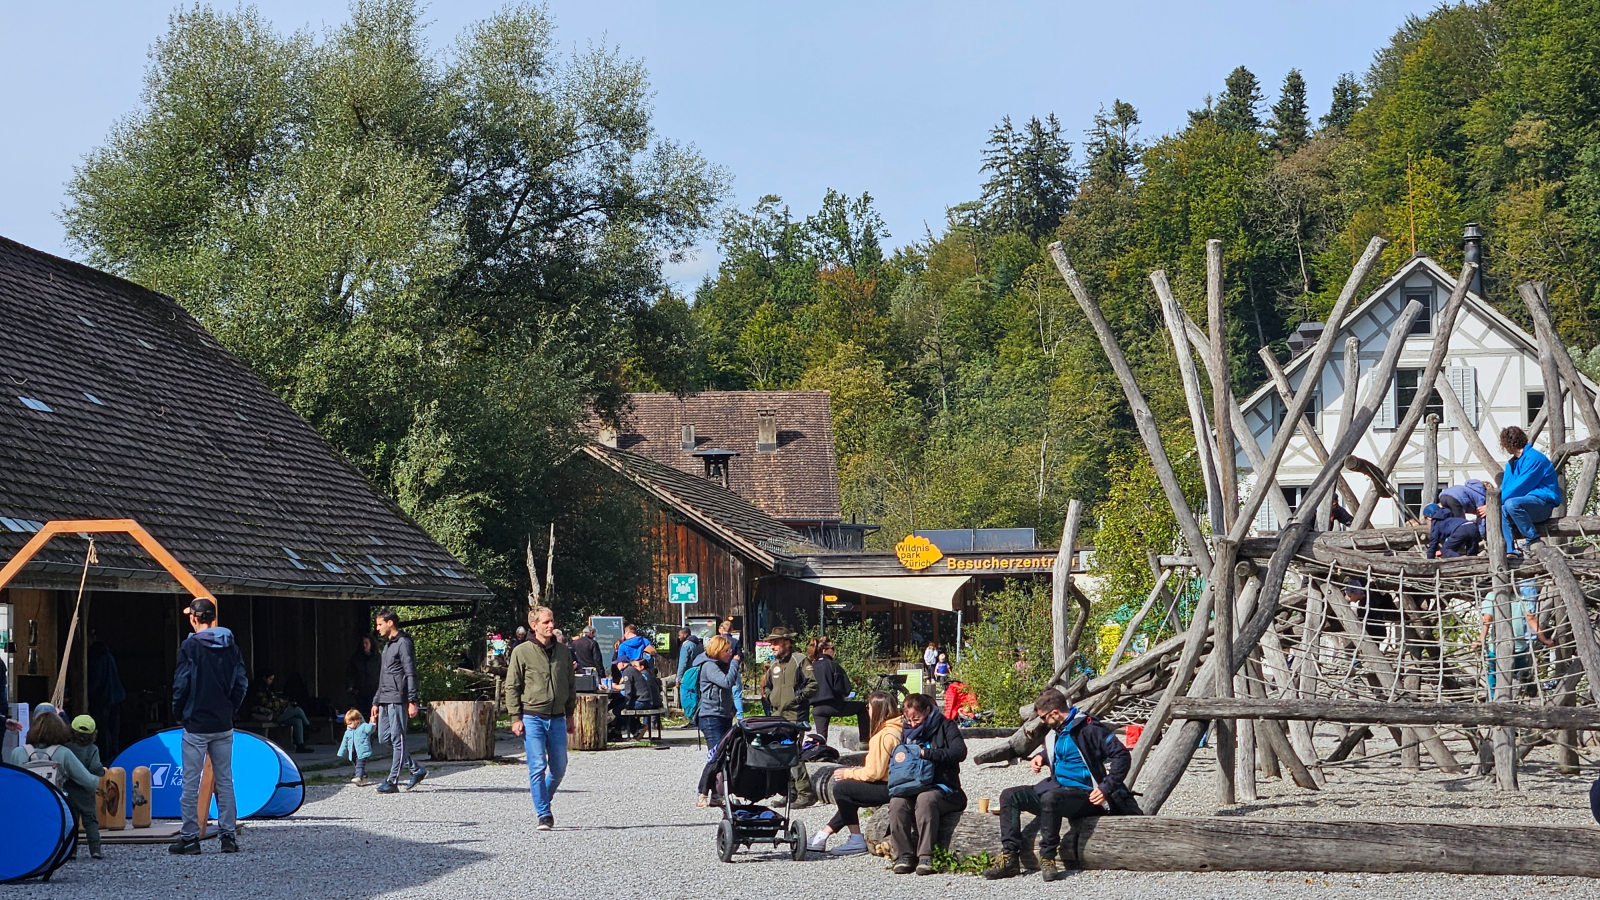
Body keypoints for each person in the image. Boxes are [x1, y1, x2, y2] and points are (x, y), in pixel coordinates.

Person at [984, 690, 1130, 881]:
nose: (1042, 721)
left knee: (1051, 798)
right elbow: (1065, 751)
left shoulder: (1089, 728)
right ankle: (1009, 857)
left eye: (1043, 717)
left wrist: (1105, 788)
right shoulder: (1055, 732)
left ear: (1054, 713)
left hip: (1085, 796)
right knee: (1010, 795)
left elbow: (1122, 756)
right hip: (1058, 788)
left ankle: (1048, 857)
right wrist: (1042, 757)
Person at [169, 597, 248, 855]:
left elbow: (182, 683)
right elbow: (241, 683)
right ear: (212, 617)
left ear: (194, 617)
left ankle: (190, 838)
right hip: (223, 721)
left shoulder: (189, 646)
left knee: (190, 782)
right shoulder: (230, 644)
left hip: (196, 722)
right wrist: (231, 708)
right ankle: (228, 836)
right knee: (225, 780)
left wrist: (178, 712)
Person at [804, 692, 901, 856]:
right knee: (851, 794)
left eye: (868, 707)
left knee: (842, 789)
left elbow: (874, 773)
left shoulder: (883, 736)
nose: (867, 710)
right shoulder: (898, 728)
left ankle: (856, 838)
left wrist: (850, 772)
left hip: (889, 787)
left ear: (876, 710)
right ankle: (823, 834)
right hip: (899, 783)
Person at [506, 606, 576, 830]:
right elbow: (512, 686)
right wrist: (515, 716)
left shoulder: (564, 652)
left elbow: (570, 685)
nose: (550, 625)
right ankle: (544, 814)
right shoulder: (522, 651)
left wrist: (570, 714)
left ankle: (543, 798)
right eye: (546, 622)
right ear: (534, 625)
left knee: (559, 768)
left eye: (552, 621)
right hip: (532, 717)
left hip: (557, 717)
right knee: (537, 766)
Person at [887, 693, 968, 875]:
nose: (913, 723)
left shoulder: (946, 726)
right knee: (897, 802)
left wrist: (928, 754)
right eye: (908, 719)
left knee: (925, 799)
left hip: (944, 787)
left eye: (916, 718)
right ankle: (904, 855)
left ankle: (926, 855)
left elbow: (960, 752)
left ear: (927, 710)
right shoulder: (906, 732)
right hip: (911, 786)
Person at [11, 712, 104, 856]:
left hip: (25, 808)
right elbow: (89, 782)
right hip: (53, 807)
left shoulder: (17, 753)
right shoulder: (63, 753)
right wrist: (99, 778)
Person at [371, 608, 426, 794]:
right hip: (385, 698)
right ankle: (416, 769)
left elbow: (410, 672)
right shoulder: (387, 646)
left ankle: (392, 780)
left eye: (379, 624)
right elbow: (383, 675)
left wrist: (412, 699)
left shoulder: (403, 643)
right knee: (384, 738)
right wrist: (376, 701)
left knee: (397, 738)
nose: (377, 628)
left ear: (390, 623)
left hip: (397, 698)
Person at [1476, 578, 1555, 697]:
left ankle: (1493, 698)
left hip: (1499, 647)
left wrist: (1481, 639)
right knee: (1519, 670)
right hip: (1515, 647)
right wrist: (1544, 639)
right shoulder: (1519, 596)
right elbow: (1530, 618)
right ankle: (1526, 684)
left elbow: (1487, 620)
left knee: (1495, 674)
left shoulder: (1493, 596)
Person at [1495, 425, 1561, 557]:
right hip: (1524, 506)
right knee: (1501, 509)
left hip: (1543, 505)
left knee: (1511, 504)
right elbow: (1506, 488)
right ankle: (1509, 550)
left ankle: (1532, 538)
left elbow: (1520, 487)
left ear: (1506, 444)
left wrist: (1494, 503)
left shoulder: (1534, 458)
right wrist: (1494, 505)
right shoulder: (1511, 464)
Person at [690, 635, 739, 807]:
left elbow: (724, 692)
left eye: (731, 650)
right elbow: (727, 683)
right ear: (718, 651)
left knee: (725, 756)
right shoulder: (709, 666)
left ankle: (717, 794)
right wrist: (735, 663)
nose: (730, 653)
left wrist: (731, 707)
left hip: (723, 714)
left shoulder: (719, 665)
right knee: (715, 756)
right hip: (710, 717)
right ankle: (702, 792)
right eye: (727, 651)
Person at [808, 637, 868, 747]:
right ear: (825, 650)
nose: (834, 651)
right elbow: (844, 689)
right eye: (833, 648)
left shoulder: (811, 666)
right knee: (863, 707)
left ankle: (820, 752)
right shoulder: (833, 665)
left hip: (817, 708)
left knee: (821, 737)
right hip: (834, 706)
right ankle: (864, 741)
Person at [65, 715, 108, 859]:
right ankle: (95, 850)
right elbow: (96, 767)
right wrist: (102, 771)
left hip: (70, 790)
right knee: (90, 821)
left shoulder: (66, 748)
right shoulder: (93, 749)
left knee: (72, 822)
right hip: (86, 792)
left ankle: (72, 851)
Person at [761, 626, 816, 723]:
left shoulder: (799, 660)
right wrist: (770, 697)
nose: (772, 647)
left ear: (787, 643)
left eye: (776, 643)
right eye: (771, 643)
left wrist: (797, 698)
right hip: (776, 716)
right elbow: (767, 686)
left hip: (795, 717)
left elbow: (813, 684)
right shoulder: (773, 663)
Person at [86, 638, 125, 761]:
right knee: (114, 729)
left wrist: (88, 692)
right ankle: (115, 754)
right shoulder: (110, 658)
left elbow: (96, 681)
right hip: (117, 698)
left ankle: (106, 755)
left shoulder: (98, 661)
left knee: (103, 729)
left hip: (104, 699)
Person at [336, 708, 378, 785]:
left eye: (350, 723)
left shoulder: (363, 727)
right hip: (352, 753)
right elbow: (344, 743)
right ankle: (363, 776)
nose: (349, 725)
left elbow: (370, 729)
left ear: (357, 721)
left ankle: (358, 777)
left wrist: (372, 722)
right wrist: (341, 752)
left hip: (362, 751)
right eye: (347, 724)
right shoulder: (348, 732)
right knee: (357, 765)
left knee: (359, 764)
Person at [346, 635, 381, 714]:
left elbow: (382, 673)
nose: (364, 645)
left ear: (371, 644)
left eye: (366, 643)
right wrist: (351, 688)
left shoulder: (378, 658)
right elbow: (350, 673)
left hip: (374, 692)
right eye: (363, 643)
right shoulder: (355, 658)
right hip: (360, 693)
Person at [718, 618, 746, 718]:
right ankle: (739, 716)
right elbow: (740, 656)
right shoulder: (735, 642)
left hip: (720, 670)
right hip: (733, 669)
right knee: (737, 693)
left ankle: (724, 712)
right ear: (732, 629)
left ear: (720, 629)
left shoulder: (718, 641)